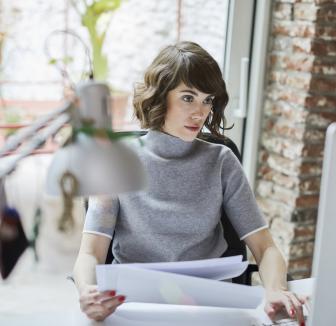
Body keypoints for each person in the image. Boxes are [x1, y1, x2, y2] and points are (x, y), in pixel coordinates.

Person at [73, 41, 307, 325]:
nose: (200, 112)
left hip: (210, 305)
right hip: (136, 305)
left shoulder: (221, 161)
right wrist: (87, 292)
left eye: (207, 100)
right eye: (188, 98)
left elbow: (266, 247)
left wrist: (275, 290)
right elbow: (90, 253)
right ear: (159, 97)